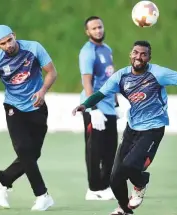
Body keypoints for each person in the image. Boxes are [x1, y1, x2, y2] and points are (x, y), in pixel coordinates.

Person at [72, 40, 177, 215]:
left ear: (149, 57)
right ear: (130, 54)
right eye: (135, 52)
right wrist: (85, 105)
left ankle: (141, 183)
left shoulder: (158, 73)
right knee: (115, 179)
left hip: (153, 128)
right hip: (132, 129)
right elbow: (100, 94)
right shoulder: (121, 76)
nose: (138, 57)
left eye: (143, 54)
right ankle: (124, 209)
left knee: (131, 165)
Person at [0, 25, 57, 211]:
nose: (8, 45)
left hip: (37, 105)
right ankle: (42, 195)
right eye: (3, 43)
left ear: (14, 36)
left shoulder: (33, 48)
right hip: (13, 107)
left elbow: (52, 72)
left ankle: (1, 184)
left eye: (9, 40)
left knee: (32, 154)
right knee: (23, 149)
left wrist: (42, 91)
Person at [79, 16, 120, 200]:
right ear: (88, 32)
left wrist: (116, 102)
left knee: (110, 148)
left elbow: (110, 78)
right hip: (95, 107)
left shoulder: (107, 49)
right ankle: (93, 188)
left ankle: (105, 186)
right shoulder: (87, 52)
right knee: (95, 149)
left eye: (100, 27)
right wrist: (93, 108)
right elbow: (87, 81)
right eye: (94, 28)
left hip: (109, 106)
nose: (98, 30)